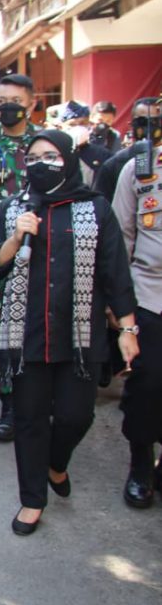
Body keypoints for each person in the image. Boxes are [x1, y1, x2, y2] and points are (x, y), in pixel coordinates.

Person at [0, 130, 138, 535]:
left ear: (68, 159)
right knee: (30, 419)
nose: (40, 163)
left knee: (76, 416)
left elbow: (115, 272)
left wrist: (126, 327)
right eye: (32, 156)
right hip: (26, 332)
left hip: (80, 336)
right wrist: (16, 235)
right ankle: (32, 500)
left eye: (50, 155)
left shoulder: (95, 208)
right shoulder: (14, 207)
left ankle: (56, 462)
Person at [0, 73, 41, 441]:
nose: (8, 106)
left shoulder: (47, 145)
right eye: (2, 100)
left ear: (31, 104)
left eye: (16, 100)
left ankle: (35, 401)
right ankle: (8, 406)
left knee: (34, 327)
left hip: (40, 250)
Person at [113, 106, 162, 508]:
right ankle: (141, 461)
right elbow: (121, 237)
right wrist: (120, 307)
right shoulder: (141, 170)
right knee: (148, 386)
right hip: (151, 297)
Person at [96, 97, 161, 202]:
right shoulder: (114, 165)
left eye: (155, 121)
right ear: (131, 125)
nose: (149, 128)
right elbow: (103, 209)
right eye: (142, 122)